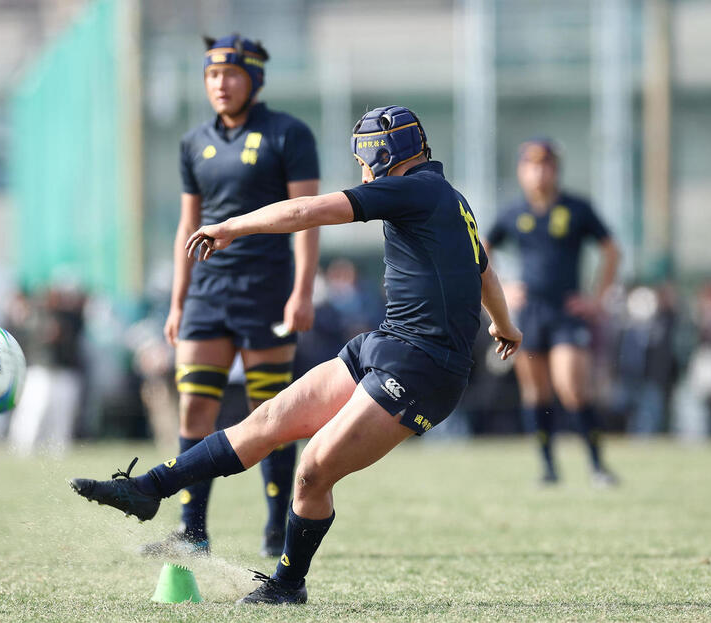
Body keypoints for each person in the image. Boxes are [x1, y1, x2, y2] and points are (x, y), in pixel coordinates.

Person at [69, 105, 522, 604]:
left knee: (313, 470)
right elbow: (483, 268)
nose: (361, 171)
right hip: (387, 343)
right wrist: (504, 325)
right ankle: (150, 488)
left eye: (362, 159)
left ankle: (288, 584)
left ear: (381, 154)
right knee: (267, 421)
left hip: (424, 369)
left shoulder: (412, 189)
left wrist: (232, 226)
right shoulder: (445, 197)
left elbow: (309, 210)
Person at [152, 33, 321, 557]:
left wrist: (302, 292)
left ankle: (277, 527)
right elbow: (187, 228)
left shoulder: (288, 134)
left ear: (255, 78)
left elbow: (309, 219)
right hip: (206, 295)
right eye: (210, 75)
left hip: (266, 293)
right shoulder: (192, 142)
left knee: (270, 413)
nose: (219, 84)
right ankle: (192, 531)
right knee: (192, 412)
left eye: (229, 74)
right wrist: (178, 302)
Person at [483, 139, 620, 486]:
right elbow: (482, 249)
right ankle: (548, 469)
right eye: (532, 165)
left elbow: (612, 251)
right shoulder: (514, 212)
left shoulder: (576, 208)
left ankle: (597, 466)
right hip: (529, 314)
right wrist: (505, 289)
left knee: (571, 387)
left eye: (546, 165)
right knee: (536, 394)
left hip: (565, 312)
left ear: (556, 170)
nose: (540, 172)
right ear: (521, 171)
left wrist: (597, 299)